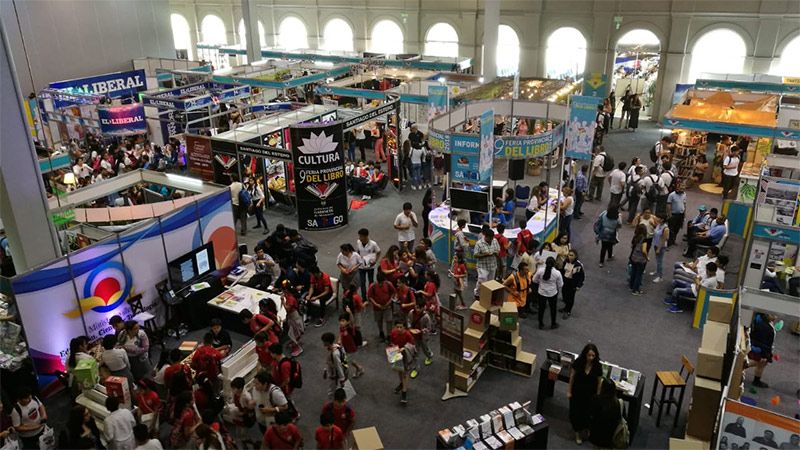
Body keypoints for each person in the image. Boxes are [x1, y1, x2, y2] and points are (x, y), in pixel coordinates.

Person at [568, 343, 602, 444]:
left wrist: (598, 396)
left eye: (593, 356)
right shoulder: (579, 362)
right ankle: (578, 433)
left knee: (588, 414)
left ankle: (587, 429)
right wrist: (569, 391)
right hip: (577, 393)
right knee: (576, 414)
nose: (591, 358)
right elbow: (572, 377)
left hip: (590, 395)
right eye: (589, 355)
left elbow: (599, 382)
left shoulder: (597, 366)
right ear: (585, 354)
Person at [589, 377, 623, 448]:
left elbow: (591, 414)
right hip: (610, 434)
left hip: (596, 432)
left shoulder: (597, 400)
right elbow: (619, 418)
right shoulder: (617, 403)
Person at [389, 320, 416, 404]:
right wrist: (394, 348)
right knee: (399, 370)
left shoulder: (408, 335)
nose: (399, 329)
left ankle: (404, 392)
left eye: (401, 327)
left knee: (405, 373)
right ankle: (401, 384)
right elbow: (391, 342)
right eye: (397, 327)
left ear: (404, 327)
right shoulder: (393, 333)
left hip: (405, 355)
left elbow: (412, 345)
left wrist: (403, 348)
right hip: (396, 352)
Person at [532, 257, 563, 330]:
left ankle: (540, 324)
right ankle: (553, 323)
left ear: (545, 263)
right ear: (554, 264)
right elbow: (560, 285)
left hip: (542, 292)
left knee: (541, 309)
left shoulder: (540, 271)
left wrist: (540, 283)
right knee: (553, 309)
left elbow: (534, 280)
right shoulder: (557, 273)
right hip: (552, 293)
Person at [748, 313, 777, 388]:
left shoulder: (758, 319)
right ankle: (741, 365)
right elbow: (765, 344)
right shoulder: (767, 328)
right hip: (760, 350)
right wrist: (766, 355)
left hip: (755, 346)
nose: (775, 316)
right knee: (759, 362)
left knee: (761, 364)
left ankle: (756, 380)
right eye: (773, 315)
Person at [368, 271, 396, 342]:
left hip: (387, 306)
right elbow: (370, 296)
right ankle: (381, 332)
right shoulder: (373, 286)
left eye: (382, 283)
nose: (380, 284)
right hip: (377, 307)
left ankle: (389, 334)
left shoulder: (388, 284)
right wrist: (376, 304)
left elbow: (393, 293)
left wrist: (389, 302)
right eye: (379, 283)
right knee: (379, 320)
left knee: (389, 320)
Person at [473, 227, 500, 298]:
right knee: (482, 280)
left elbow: (498, 250)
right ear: (486, 236)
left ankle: (487, 295)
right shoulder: (479, 243)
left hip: (492, 265)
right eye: (490, 239)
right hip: (482, 266)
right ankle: (477, 293)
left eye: (492, 238)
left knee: (490, 282)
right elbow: (475, 255)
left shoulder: (494, 240)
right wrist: (486, 254)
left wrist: (496, 253)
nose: (491, 240)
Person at [356, 228, 381, 301]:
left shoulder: (373, 244)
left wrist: (375, 261)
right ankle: (364, 298)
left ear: (366, 236)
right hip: (361, 267)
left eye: (361, 236)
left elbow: (378, 252)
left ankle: (371, 296)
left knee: (371, 282)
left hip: (370, 267)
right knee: (362, 282)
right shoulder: (358, 242)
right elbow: (358, 251)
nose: (359, 238)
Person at [338, 312, 365, 378]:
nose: (341, 323)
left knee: (350, 361)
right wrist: (339, 341)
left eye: (343, 321)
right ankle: (358, 369)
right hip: (345, 348)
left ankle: (359, 369)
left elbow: (352, 321)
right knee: (347, 361)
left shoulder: (350, 329)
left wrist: (350, 312)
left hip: (352, 349)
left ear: (348, 322)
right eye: (340, 321)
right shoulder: (341, 328)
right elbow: (340, 334)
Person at [322, 332, 348, 398]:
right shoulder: (338, 346)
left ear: (328, 342)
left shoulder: (334, 354)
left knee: (332, 388)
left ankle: (333, 398)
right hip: (334, 370)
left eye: (324, 341)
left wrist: (342, 379)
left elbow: (338, 366)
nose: (323, 343)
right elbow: (344, 357)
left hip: (334, 374)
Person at [560, 250, 585, 319]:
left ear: (575, 256)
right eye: (569, 255)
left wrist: (578, 285)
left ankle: (568, 311)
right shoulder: (565, 262)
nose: (570, 257)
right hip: (565, 281)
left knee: (570, 297)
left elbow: (581, 276)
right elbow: (562, 271)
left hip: (572, 282)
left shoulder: (578, 265)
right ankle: (565, 307)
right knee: (564, 294)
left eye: (571, 255)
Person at [629, 223, 649, 295]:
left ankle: (631, 286)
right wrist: (647, 257)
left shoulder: (635, 237)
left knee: (633, 272)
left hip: (633, 257)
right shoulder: (644, 239)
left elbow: (632, 246)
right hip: (640, 259)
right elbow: (644, 250)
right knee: (639, 275)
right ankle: (635, 290)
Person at [651, 214, 670, 283]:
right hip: (656, 244)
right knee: (657, 259)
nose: (657, 218)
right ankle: (657, 271)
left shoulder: (665, 229)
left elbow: (663, 240)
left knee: (659, 261)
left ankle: (660, 276)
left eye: (659, 217)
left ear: (662, 219)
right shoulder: (659, 225)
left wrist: (659, 248)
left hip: (661, 246)